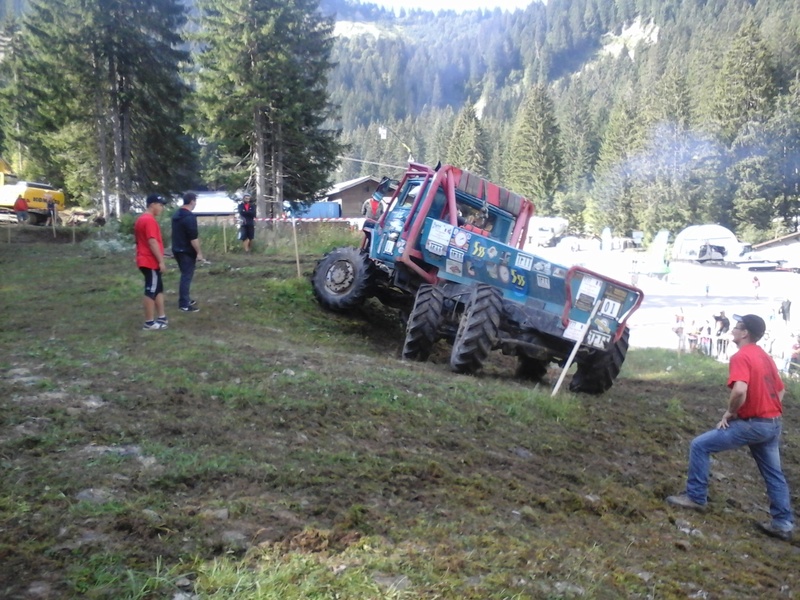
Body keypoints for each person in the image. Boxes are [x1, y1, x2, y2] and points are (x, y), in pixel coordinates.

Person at [666, 314, 794, 541]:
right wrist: (765, 407)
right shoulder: (765, 356)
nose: (733, 329)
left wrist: (731, 413)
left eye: (736, 327)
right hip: (773, 423)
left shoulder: (741, 356)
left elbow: (739, 390)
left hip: (753, 424)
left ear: (745, 333)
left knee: (700, 445)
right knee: (774, 474)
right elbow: (780, 391)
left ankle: (695, 497)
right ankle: (783, 523)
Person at [135, 194, 169, 330]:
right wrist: (161, 261)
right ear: (152, 205)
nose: (162, 208)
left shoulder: (141, 219)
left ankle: (162, 316)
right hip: (149, 261)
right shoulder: (149, 220)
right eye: (160, 205)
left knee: (158, 288)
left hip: (146, 259)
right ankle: (149, 322)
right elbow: (151, 241)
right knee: (151, 289)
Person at [171, 192, 204, 313]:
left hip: (176, 249)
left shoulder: (176, 215)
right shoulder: (189, 217)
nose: (195, 204)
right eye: (195, 201)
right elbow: (193, 238)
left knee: (184, 275)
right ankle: (184, 304)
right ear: (192, 201)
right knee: (186, 276)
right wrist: (199, 253)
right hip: (186, 251)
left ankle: (186, 299)